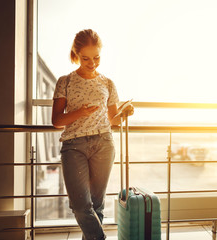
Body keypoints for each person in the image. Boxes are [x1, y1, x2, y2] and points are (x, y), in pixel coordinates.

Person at [51, 29, 133, 240]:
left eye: (96, 57)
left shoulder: (108, 83)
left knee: (97, 205)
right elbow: (57, 121)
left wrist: (124, 113)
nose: (92, 62)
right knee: (81, 205)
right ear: (76, 55)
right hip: (73, 145)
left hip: (104, 143)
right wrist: (80, 113)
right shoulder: (65, 81)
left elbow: (112, 120)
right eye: (86, 58)